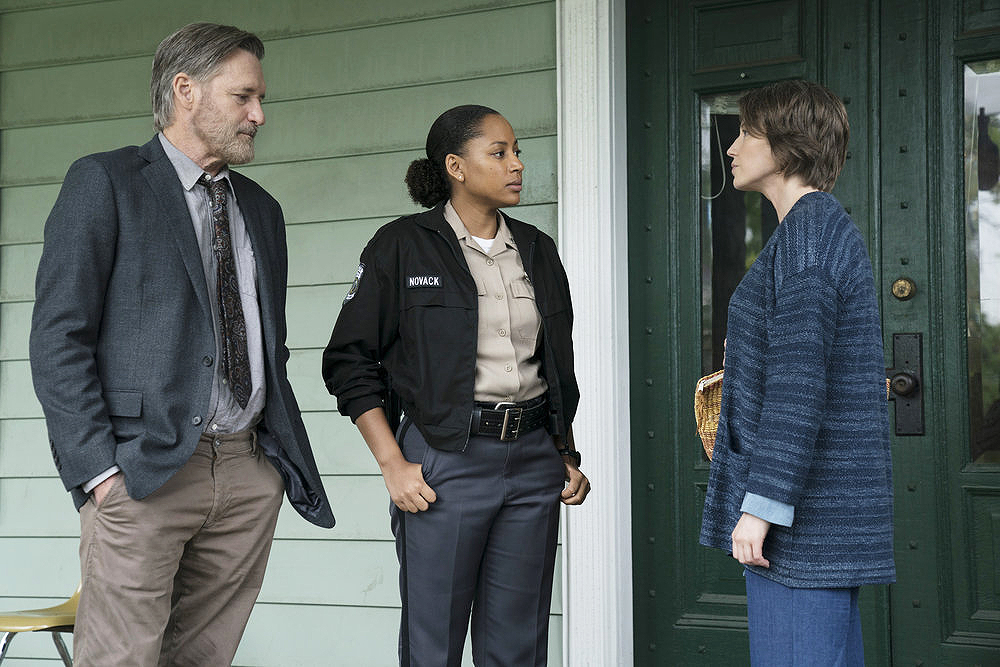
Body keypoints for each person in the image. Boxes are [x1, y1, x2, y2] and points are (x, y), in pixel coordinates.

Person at [29, 22, 334, 666]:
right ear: (186, 91)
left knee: (201, 659)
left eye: (260, 99)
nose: (259, 114)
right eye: (243, 97)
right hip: (144, 472)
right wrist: (98, 473)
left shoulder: (262, 210)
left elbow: (265, 343)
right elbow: (60, 336)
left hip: (248, 471)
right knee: (121, 659)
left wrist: (269, 470)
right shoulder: (105, 183)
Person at [323, 104, 590, 666]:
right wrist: (393, 464)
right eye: (499, 153)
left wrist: (563, 453)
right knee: (434, 643)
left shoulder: (538, 249)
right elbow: (349, 361)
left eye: (517, 150)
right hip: (445, 461)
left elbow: (555, 365)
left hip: (532, 460)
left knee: (518, 646)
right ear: (455, 166)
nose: (517, 164)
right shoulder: (401, 246)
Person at [699, 80, 895, 666]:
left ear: (785, 146)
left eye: (746, 133)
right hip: (812, 517)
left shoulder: (808, 236)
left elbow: (799, 387)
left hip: (802, 523)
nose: (731, 148)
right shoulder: (810, 231)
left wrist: (759, 510)